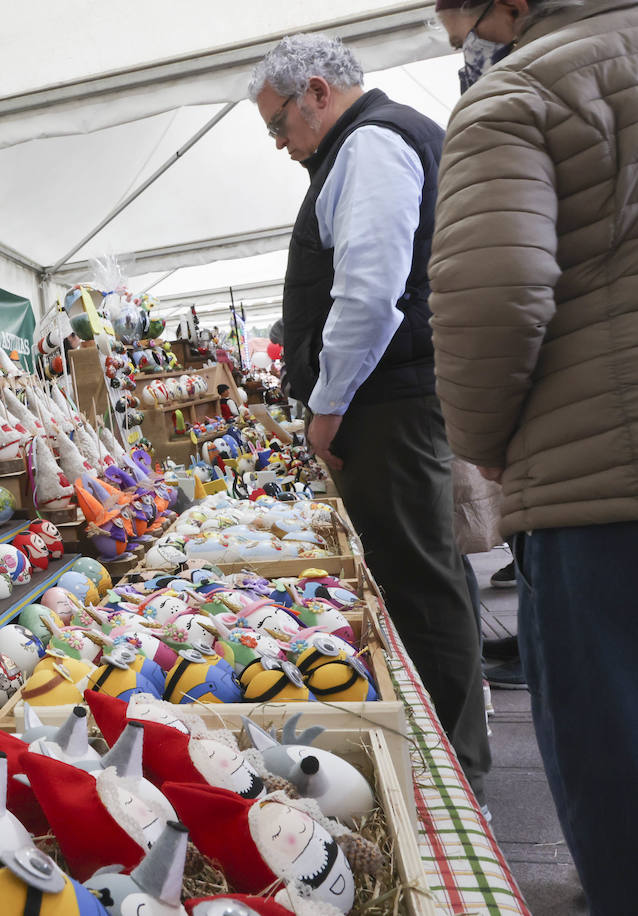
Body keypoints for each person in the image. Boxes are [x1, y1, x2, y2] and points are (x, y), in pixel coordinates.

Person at [430, 0, 638, 909]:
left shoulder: (518, 94)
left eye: (454, 16)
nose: (457, 41)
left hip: (600, 485)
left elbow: (492, 298)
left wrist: (481, 448)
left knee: (617, 763)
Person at [248, 35, 490, 795]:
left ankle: (453, 772)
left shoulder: (372, 145)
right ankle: (457, 754)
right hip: (398, 397)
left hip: (389, 403)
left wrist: (327, 405)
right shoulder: (372, 142)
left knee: (420, 583)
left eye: (279, 125)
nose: (282, 147)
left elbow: (368, 289)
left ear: (316, 91)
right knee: (430, 573)